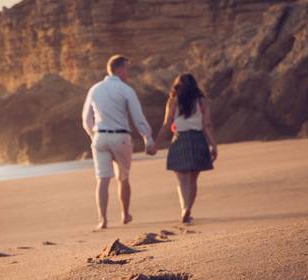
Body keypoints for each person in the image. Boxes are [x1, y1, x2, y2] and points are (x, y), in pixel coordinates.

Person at [82, 54, 157, 231]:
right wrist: (148, 138)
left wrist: (94, 137)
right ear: (119, 69)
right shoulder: (126, 90)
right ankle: (125, 214)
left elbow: (86, 119)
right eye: (127, 69)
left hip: (100, 136)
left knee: (102, 180)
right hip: (120, 137)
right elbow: (138, 117)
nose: (128, 73)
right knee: (123, 178)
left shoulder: (95, 89)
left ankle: (103, 220)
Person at [155, 73, 217, 224]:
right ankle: (188, 208)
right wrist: (213, 145)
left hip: (179, 139)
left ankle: (184, 208)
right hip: (197, 139)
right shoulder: (202, 101)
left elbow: (166, 125)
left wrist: (155, 144)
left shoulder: (173, 102)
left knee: (182, 180)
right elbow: (206, 125)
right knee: (193, 180)